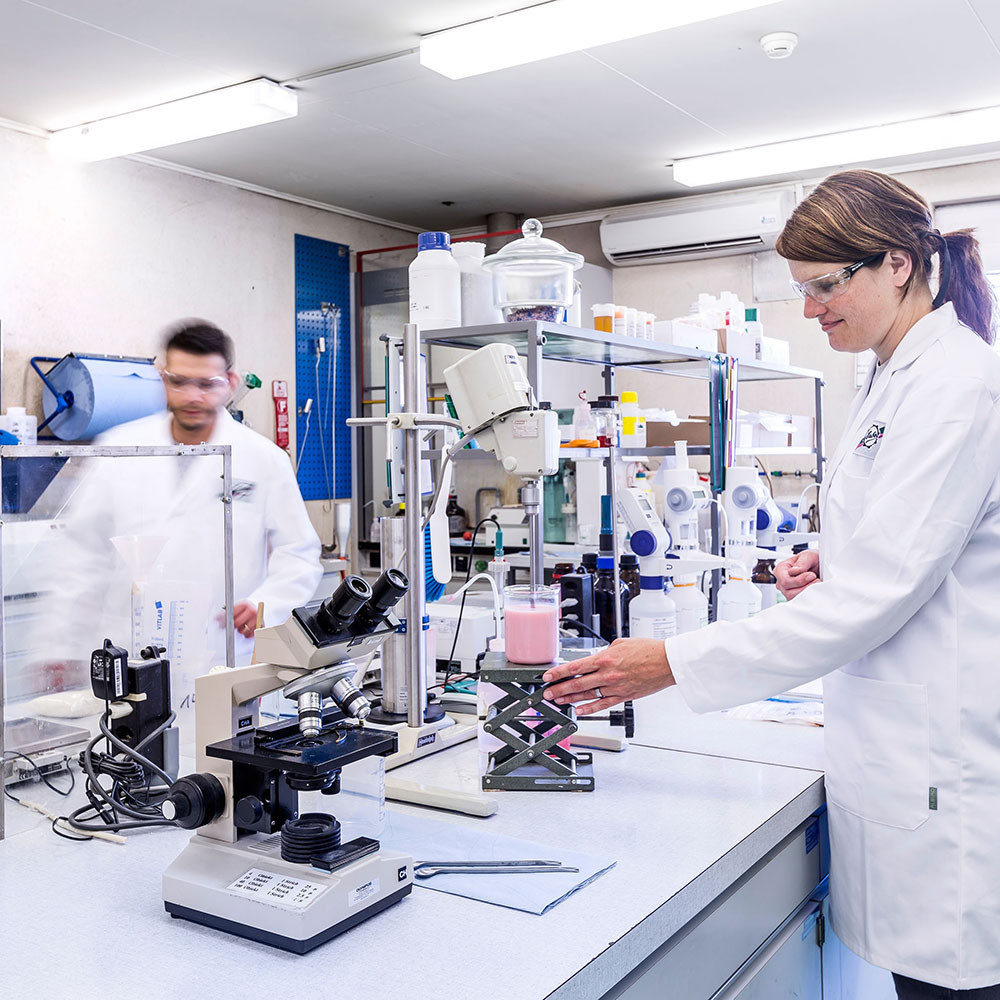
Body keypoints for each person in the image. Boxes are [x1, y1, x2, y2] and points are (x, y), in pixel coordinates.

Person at [543, 170, 1000, 998]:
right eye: (802, 289)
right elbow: (912, 542)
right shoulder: (892, 371)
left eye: (826, 285)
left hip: (944, 767)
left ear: (898, 264)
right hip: (898, 739)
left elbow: (880, 595)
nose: (812, 308)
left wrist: (670, 661)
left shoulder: (954, 384)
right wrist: (837, 555)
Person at [46, 320, 322, 722]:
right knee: (125, 753)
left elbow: (299, 553)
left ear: (229, 383)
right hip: (127, 655)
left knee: (217, 755)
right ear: (164, 379)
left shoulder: (263, 460)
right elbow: (80, 554)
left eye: (207, 384)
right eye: (179, 382)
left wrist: (265, 604)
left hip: (220, 654)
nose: (193, 396)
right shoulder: (119, 449)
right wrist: (59, 643)